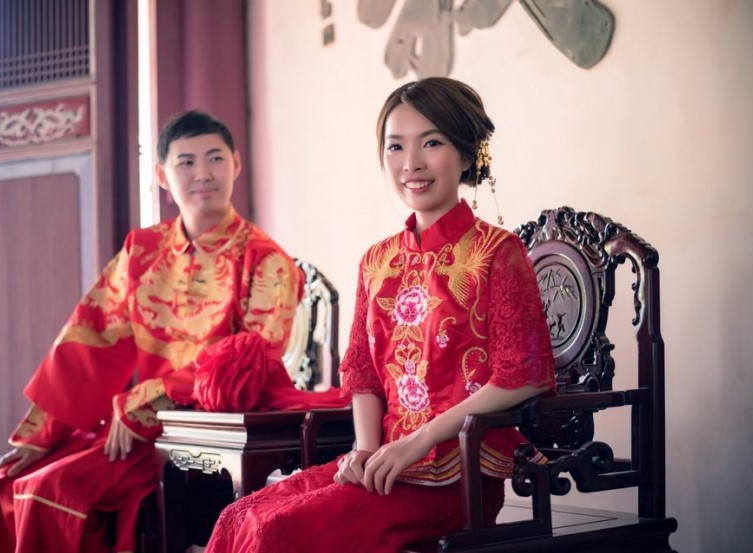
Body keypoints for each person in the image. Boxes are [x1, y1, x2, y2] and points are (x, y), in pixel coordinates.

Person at [205, 77, 557, 553]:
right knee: (238, 515)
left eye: (431, 143)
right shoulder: (378, 261)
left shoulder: (497, 253)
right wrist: (366, 448)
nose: (411, 163)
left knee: (277, 531)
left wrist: (419, 441)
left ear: (467, 154)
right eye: (396, 146)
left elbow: (523, 376)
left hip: (458, 479)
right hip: (384, 465)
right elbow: (363, 373)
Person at [0, 110, 306, 553]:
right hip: (136, 427)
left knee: (54, 490)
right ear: (162, 175)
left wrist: (153, 396)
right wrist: (41, 433)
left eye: (215, 158)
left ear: (236, 164)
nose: (203, 173)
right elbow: (92, 337)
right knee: (15, 483)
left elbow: (254, 364)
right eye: (186, 162)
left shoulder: (266, 260)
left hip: (208, 435)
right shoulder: (143, 250)